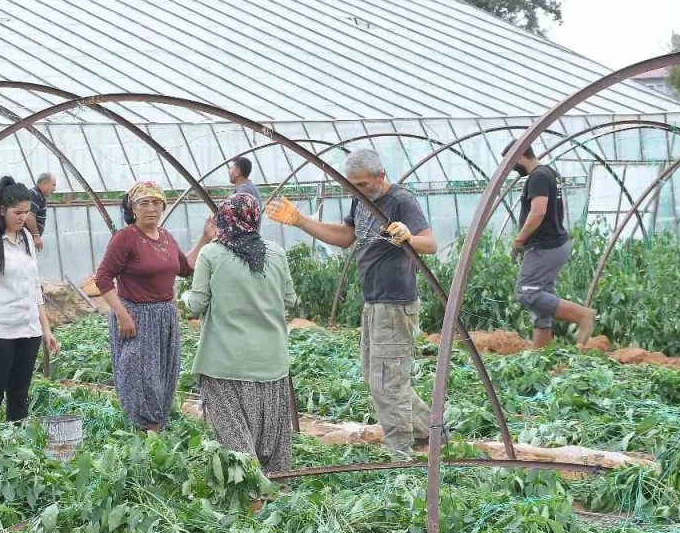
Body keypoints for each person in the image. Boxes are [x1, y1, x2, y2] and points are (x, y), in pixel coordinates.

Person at [265, 149, 436, 457]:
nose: (356, 190)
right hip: (374, 300)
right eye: (351, 185)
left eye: (362, 184)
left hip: (396, 302)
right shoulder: (361, 200)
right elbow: (346, 237)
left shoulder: (401, 201)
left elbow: (430, 244)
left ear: (380, 177)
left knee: (387, 380)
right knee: (378, 375)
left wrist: (408, 236)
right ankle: (431, 431)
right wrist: (301, 220)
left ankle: (399, 451)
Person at [183, 194, 296, 472]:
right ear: (255, 219)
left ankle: (250, 495)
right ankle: (276, 491)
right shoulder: (277, 253)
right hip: (271, 361)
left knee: (235, 437)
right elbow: (290, 300)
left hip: (225, 362)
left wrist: (184, 297)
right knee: (271, 435)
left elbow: (196, 304)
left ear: (224, 218)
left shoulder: (212, 252)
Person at [94, 180, 213, 431]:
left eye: (157, 203)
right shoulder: (125, 238)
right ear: (133, 208)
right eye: (144, 203)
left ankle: (155, 434)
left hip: (165, 317)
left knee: (163, 377)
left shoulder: (166, 237)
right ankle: (141, 434)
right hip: (136, 317)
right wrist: (122, 314)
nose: (151, 208)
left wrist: (204, 238)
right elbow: (103, 277)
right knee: (139, 379)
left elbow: (185, 268)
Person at [0, 178, 59, 421]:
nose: (23, 218)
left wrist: (46, 329)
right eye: (17, 212)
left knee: (20, 395)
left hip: (27, 330)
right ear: (1, 210)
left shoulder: (26, 238)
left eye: (26, 212)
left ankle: (16, 453)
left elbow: (34, 287)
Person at [507, 144, 596, 348]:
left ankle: (582, 315)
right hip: (554, 244)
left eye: (512, 162)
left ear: (521, 155)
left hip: (544, 246)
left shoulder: (537, 176)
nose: (512, 168)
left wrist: (519, 240)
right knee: (541, 304)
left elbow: (538, 212)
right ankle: (542, 358)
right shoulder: (548, 173)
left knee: (527, 292)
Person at [26, 173, 56, 252]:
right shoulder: (35, 194)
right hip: (27, 238)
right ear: (44, 183)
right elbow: (29, 216)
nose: (54, 189)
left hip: (29, 238)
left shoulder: (39, 195)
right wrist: (36, 236)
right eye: (53, 185)